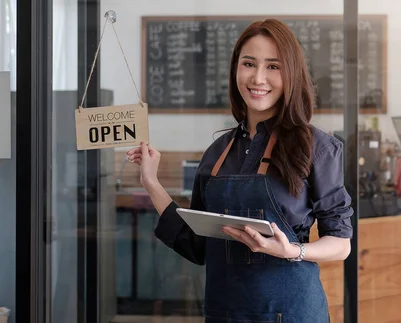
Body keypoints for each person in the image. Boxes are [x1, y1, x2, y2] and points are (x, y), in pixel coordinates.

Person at [127, 18, 353, 323]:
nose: (258, 78)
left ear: (292, 73)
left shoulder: (317, 147)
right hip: (225, 313)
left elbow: (341, 245)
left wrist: (292, 251)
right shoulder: (217, 153)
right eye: (249, 63)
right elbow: (197, 246)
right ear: (236, 69)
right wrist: (151, 181)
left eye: (273, 66)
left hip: (293, 313)